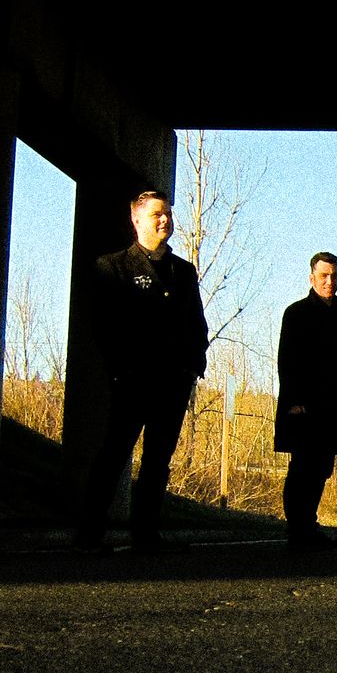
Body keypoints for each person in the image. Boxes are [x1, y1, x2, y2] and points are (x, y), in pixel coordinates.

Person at [75, 188, 209, 552]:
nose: (164, 220)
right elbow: (104, 325)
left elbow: (196, 323)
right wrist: (122, 369)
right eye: (156, 214)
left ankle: (146, 533)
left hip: (173, 382)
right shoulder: (113, 267)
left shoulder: (184, 272)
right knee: (114, 454)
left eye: (168, 214)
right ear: (136, 219)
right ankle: (89, 533)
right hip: (132, 381)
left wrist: (193, 365)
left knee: (158, 460)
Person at [274, 251, 337, 548]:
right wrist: (294, 401)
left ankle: (308, 526)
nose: (329, 281)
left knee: (321, 467)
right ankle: (298, 529)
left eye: (334, 276)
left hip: (330, 405)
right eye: (324, 275)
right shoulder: (296, 313)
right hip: (303, 405)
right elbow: (287, 361)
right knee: (302, 466)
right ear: (312, 278)